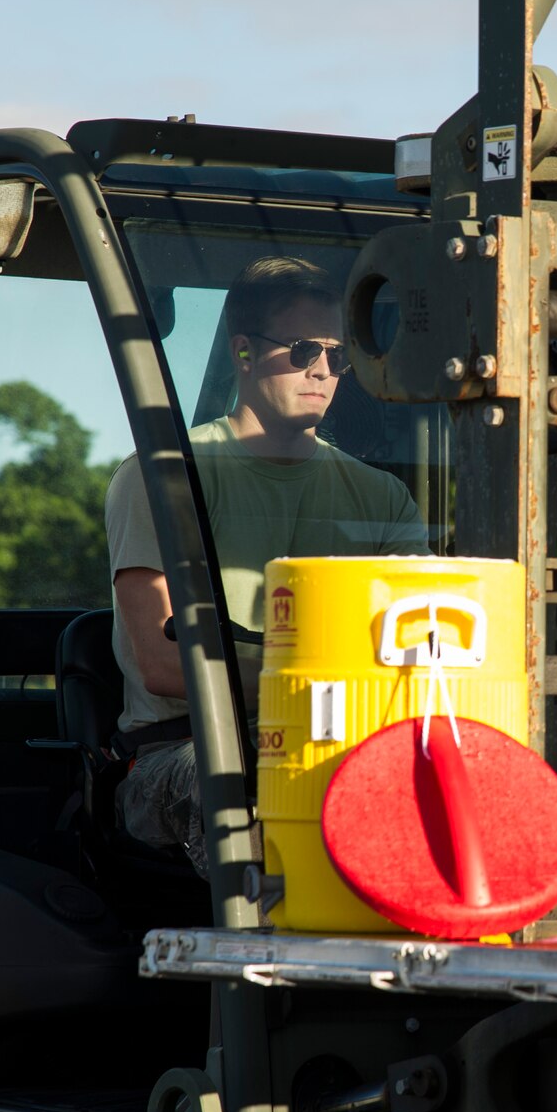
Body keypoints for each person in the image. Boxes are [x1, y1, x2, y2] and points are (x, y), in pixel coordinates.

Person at [104, 256, 429, 876]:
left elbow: (419, 646)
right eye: (305, 348)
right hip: (184, 750)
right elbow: (165, 663)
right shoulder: (163, 477)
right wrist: (329, 678)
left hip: (341, 733)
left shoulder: (382, 498)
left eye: (337, 355)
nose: (324, 370)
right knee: (259, 781)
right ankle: (268, 965)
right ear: (245, 353)